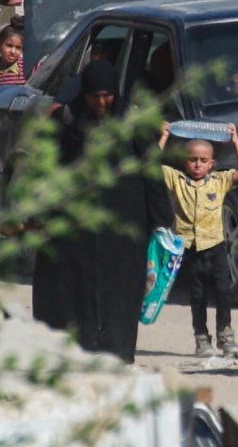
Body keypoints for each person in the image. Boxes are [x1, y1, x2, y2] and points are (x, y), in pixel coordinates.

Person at [34, 60, 172, 364]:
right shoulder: (66, 121)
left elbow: (151, 171)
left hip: (124, 221)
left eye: (107, 95)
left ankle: (118, 354)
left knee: (120, 289)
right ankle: (79, 352)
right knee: (75, 287)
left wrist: (163, 222)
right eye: (94, 95)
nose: (100, 102)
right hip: (76, 222)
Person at [160, 123, 238, 357]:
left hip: (215, 246)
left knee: (223, 291)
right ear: (183, 161)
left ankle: (226, 336)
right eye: (192, 160)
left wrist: (236, 142)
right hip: (189, 248)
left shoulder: (219, 181)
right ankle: (202, 339)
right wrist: (164, 136)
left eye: (203, 160)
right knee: (197, 295)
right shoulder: (177, 180)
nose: (198, 164)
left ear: (212, 163)